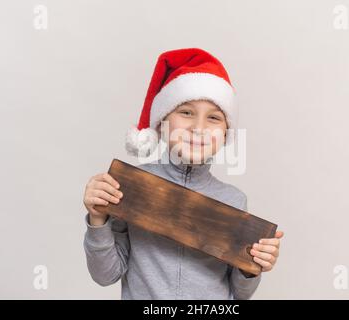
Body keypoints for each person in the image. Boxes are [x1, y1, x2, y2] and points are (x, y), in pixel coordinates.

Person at [82, 48, 284, 299]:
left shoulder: (234, 199)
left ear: (224, 134)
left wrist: (253, 266)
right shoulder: (129, 187)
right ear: (162, 122)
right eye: (186, 112)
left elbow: (240, 294)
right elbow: (106, 275)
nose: (198, 128)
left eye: (213, 118)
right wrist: (98, 219)